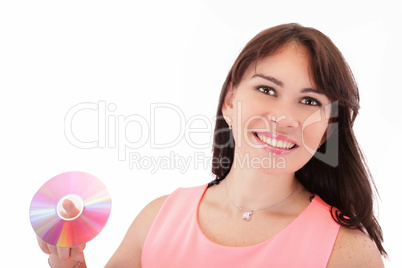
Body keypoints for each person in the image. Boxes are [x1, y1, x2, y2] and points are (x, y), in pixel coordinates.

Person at [37, 23, 386, 267]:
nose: (285, 117)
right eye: (267, 90)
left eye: (310, 101)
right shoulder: (158, 218)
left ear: (327, 128)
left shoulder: (347, 250)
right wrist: (68, 262)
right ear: (231, 102)